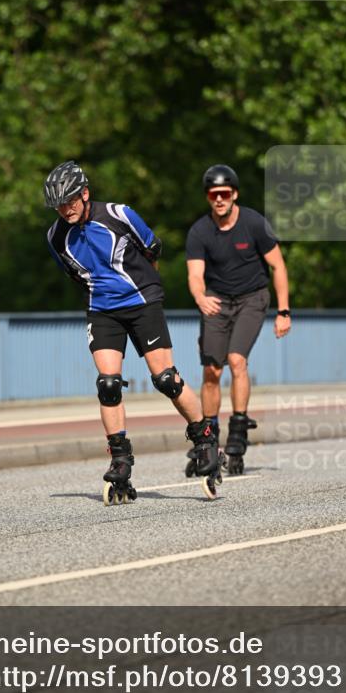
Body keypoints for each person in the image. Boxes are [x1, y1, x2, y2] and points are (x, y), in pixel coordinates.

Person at [44, 160, 222, 502]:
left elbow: (152, 249)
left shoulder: (118, 214)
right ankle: (121, 461)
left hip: (142, 302)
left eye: (69, 201)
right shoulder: (55, 237)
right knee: (107, 384)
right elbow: (75, 274)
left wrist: (143, 286)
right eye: (58, 205)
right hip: (102, 310)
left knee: (165, 378)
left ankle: (205, 438)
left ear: (84, 193)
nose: (64, 209)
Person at [185, 164, 291, 475]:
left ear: (234, 194)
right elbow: (194, 274)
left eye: (224, 193)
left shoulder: (255, 223)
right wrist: (200, 297)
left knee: (236, 360)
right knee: (211, 370)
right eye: (213, 194)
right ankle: (208, 438)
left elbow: (279, 267)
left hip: (252, 298)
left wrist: (283, 311)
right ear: (208, 197)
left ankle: (238, 431)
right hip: (217, 301)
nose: (219, 199)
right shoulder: (200, 231)